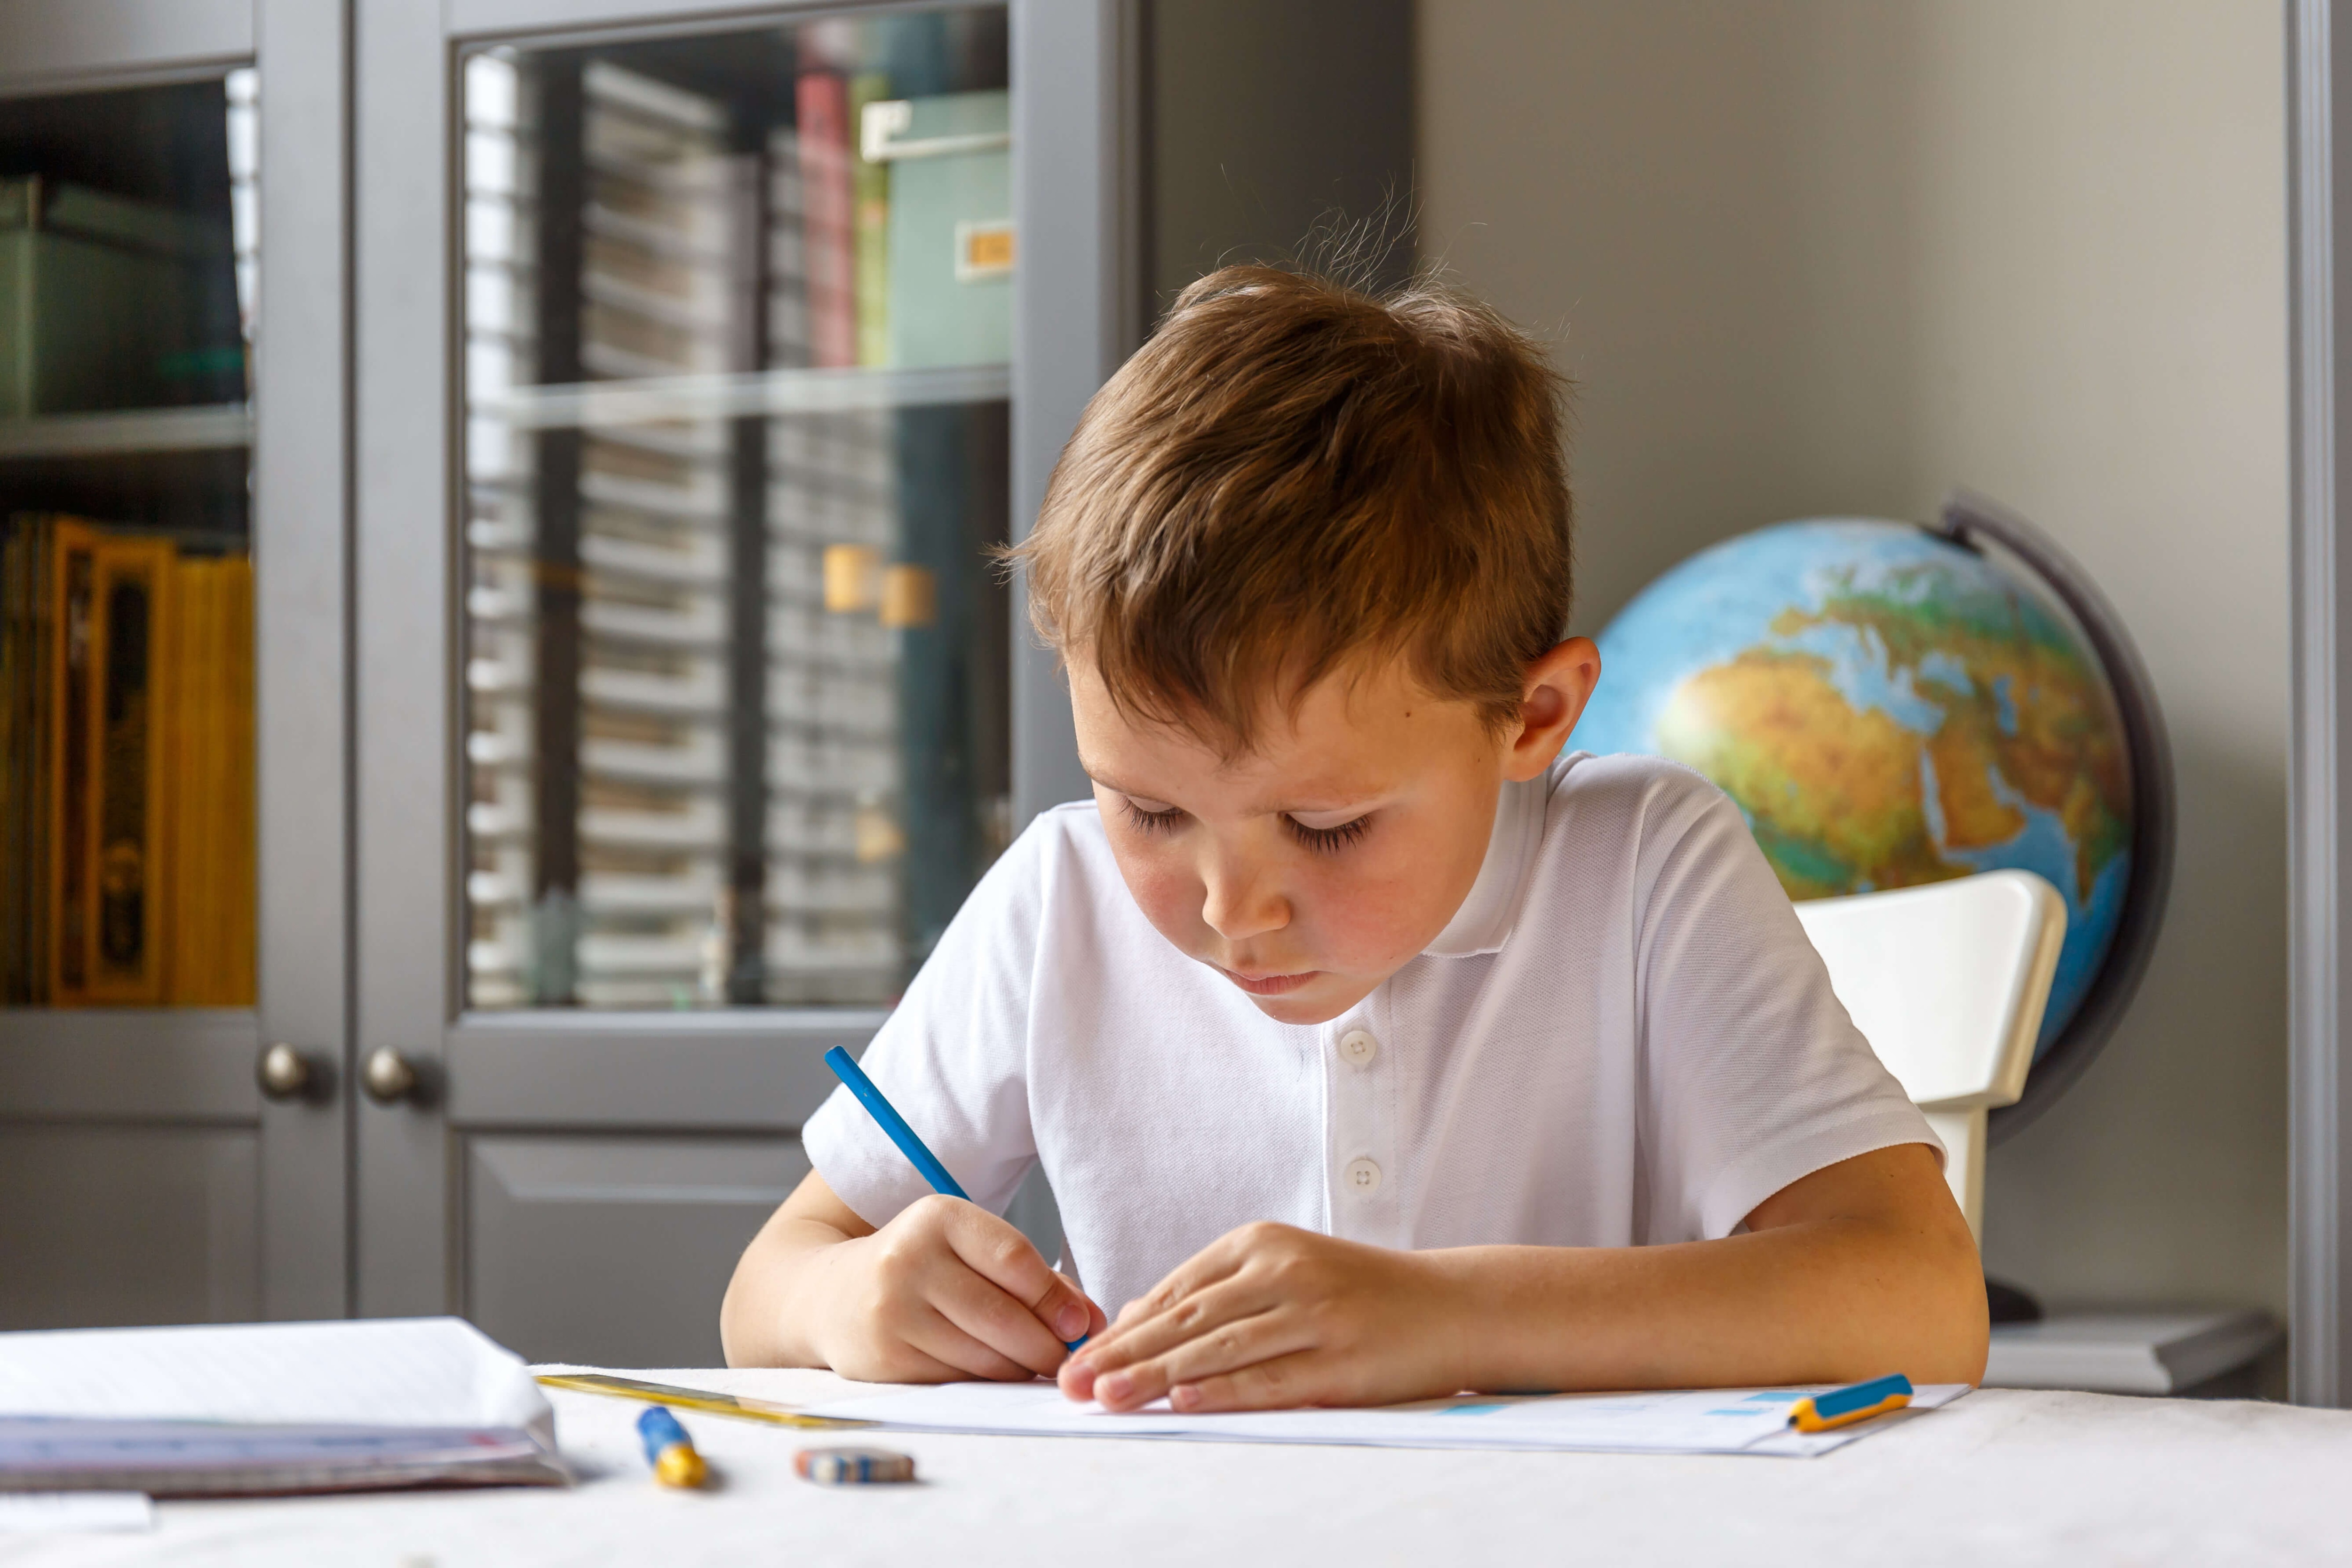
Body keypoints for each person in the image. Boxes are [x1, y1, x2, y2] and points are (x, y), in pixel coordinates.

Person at [721, 264, 1987, 1411]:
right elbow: (766, 1287)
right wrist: (850, 1298)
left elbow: (1923, 1297)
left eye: (1326, 827)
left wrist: (1450, 1317)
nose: (1233, 911)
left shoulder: (1646, 865)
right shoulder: (1057, 898)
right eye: (1151, 811)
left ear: (1533, 717)